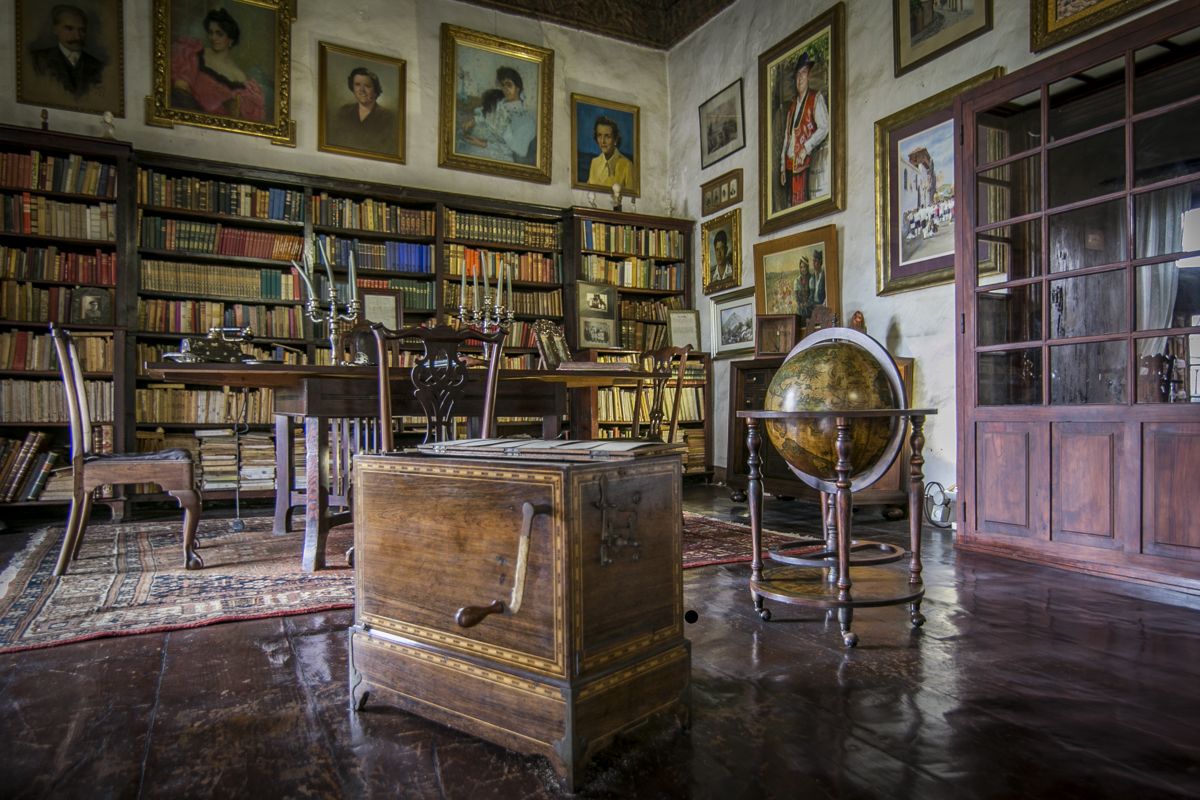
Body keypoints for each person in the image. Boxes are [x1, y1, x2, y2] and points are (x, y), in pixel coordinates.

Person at [171, 7, 265, 122]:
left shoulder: (240, 77)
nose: (213, 38)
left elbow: (237, 116)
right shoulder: (193, 53)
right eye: (211, 33)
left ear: (230, 39)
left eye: (219, 34)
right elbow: (180, 90)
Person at [778, 52, 830, 206]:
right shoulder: (792, 105)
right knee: (790, 206)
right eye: (798, 75)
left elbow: (824, 127)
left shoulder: (815, 98)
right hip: (790, 165)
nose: (800, 78)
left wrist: (806, 148)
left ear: (808, 76)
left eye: (804, 73)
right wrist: (782, 167)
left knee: (800, 205)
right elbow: (787, 137)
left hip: (804, 165)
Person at [460, 66, 535, 164]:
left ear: (518, 88)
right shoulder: (499, 103)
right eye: (503, 85)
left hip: (498, 154)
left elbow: (513, 150)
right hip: (477, 141)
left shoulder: (525, 119)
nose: (505, 89)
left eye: (509, 85)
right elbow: (486, 116)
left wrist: (483, 144)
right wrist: (474, 120)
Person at [31, 5, 104, 99]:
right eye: (69, 29)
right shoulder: (37, 60)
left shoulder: (98, 66)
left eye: (82, 30)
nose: (77, 36)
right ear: (55, 29)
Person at [327, 67, 398, 155]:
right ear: (352, 88)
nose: (361, 90)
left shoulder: (387, 117)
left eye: (367, 86)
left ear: (375, 90)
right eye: (357, 84)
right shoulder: (344, 112)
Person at [586, 116, 633, 189]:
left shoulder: (627, 165)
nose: (602, 141)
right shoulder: (594, 162)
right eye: (599, 135)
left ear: (615, 139)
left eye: (607, 136)